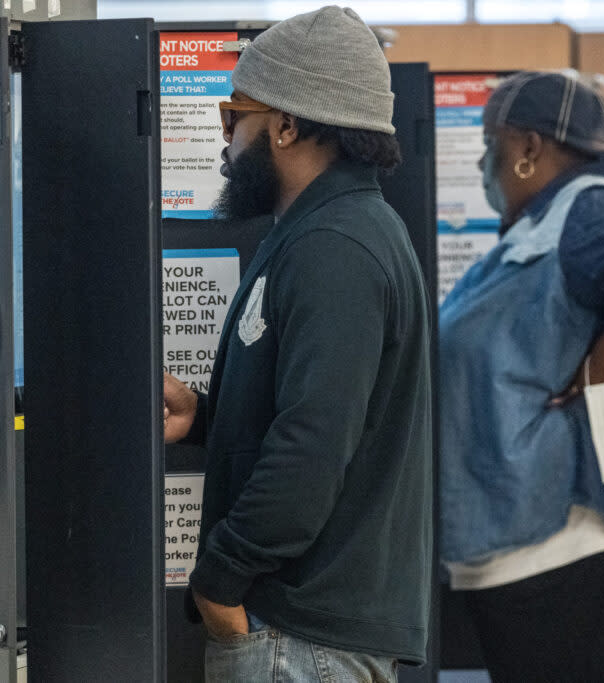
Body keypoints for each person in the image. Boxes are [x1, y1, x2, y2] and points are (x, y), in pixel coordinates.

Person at [162, 7, 433, 681]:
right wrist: (206, 416)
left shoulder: (335, 247)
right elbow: (317, 412)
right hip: (304, 637)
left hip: (299, 640)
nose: (224, 140)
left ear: (286, 124)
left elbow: (311, 446)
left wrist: (218, 582)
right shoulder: (325, 232)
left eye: (234, 117)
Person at [439, 71, 604, 682]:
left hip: (570, 535)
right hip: (529, 537)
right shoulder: (544, 227)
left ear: (529, 147)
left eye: (491, 142)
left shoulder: (590, 209)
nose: (484, 162)